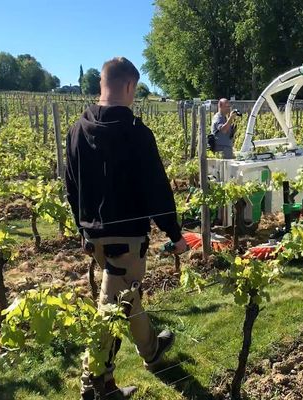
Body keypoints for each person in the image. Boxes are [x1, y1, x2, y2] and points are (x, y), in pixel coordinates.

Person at [65, 56, 187, 400]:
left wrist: (84, 231)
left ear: (102, 84)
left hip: (95, 237)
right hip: (128, 238)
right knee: (111, 307)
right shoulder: (136, 133)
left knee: (126, 295)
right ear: (130, 87)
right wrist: (175, 235)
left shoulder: (77, 129)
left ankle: (150, 350)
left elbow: (70, 188)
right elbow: (156, 190)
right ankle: (94, 383)